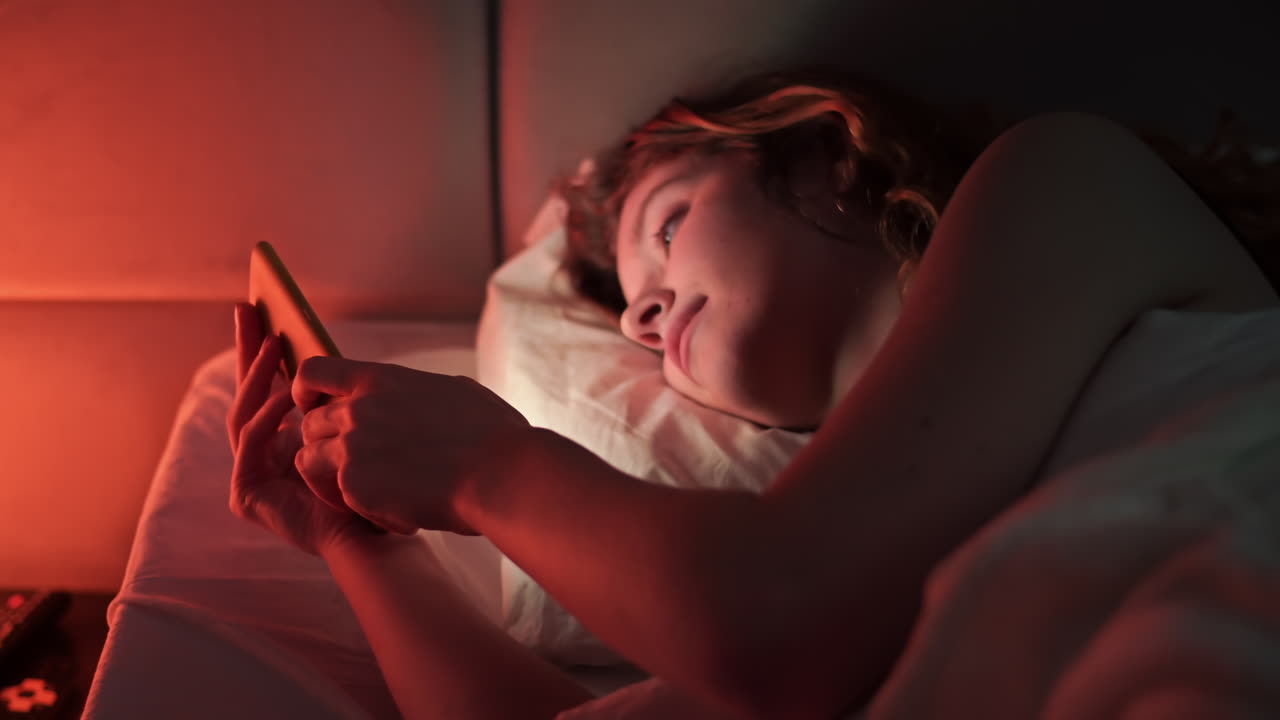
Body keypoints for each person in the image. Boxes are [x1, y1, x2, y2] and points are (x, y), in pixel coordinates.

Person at [226, 69, 1279, 719]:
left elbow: (769, 619)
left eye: (668, 226)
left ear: (825, 146)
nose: (642, 322)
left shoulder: (1063, 177)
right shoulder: (821, 536)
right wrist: (357, 544)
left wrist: (483, 465)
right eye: (633, 311)